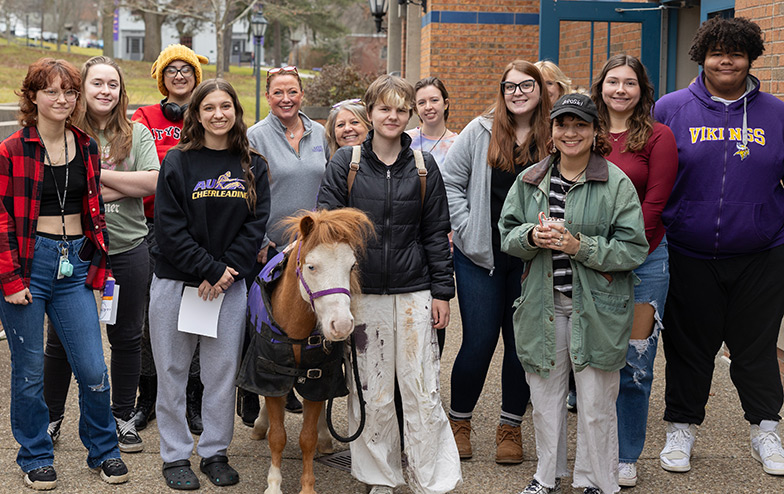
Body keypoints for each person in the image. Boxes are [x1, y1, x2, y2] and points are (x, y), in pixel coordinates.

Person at [317, 74, 461, 494]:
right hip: (363, 296)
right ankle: (379, 477)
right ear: (370, 112)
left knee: (421, 389)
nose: (393, 116)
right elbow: (327, 231)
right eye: (385, 108)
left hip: (414, 291)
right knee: (372, 392)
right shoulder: (346, 164)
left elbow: (435, 233)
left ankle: (430, 478)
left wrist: (442, 293)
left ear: (409, 114)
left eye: (401, 109)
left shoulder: (424, 166)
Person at [654, 16, 784, 477]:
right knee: (689, 349)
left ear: (751, 58)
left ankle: (766, 429)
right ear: (702, 57)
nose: (726, 61)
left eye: (736, 53)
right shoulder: (670, 109)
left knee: (756, 348)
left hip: (761, 252)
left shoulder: (776, 113)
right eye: (717, 53)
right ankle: (681, 428)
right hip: (687, 250)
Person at [500, 93, 647, 494]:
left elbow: (634, 249)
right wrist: (531, 236)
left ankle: (596, 481)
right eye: (562, 124)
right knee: (545, 400)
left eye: (580, 124)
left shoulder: (615, 182)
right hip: (542, 306)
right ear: (551, 131)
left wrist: (578, 246)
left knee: (596, 404)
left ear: (596, 130)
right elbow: (507, 234)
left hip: (597, 309)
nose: (570, 133)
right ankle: (545, 477)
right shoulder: (530, 180)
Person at [0, 57, 130, 490]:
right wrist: (11, 280)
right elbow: (1, 219)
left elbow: (93, 210)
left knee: (93, 368)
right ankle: (35, 455)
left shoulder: (86, 145)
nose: (62, 99)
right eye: (51, 91)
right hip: (28, 266)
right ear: (32, 96)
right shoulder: (12, 149)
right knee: (29, 372)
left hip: (73, 265)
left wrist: (97, 261)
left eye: (69, 91)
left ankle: (104, 450)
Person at [150, 78, 269, 490]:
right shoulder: (178, 161)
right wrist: (209, 269)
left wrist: (226, 272)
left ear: (236, 110)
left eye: (226, 106)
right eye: (209, 108)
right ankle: (175, 455)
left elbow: (255, 226)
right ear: (196, 115)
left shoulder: (253, 164)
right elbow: (169, 228)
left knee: (221, 374)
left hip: (229, 286)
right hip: (176, 283)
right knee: (172, 372)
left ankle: (215, 452)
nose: (219, 114)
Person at [42, 56, 160, 454]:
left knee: (126, 337)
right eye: (97, 83)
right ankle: (51, 417)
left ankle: (122, 416)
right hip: (75, 249)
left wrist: (92, 175)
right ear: (82, 89)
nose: (105, 90)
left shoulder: (137, 133)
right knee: (60, 339)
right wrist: (122, 184)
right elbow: (59, 186)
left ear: (121, 90)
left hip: (127, 248)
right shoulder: (64, 131)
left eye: (113, 84)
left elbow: (152, 182)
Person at [440, 60, 550, 464]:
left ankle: (510, 427)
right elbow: (449, 181)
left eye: (526, 85)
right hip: (480, 257)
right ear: (502, 92)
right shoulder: (480, 130)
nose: (518, 93)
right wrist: (466, 227)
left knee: (521, 346)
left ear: (540, 89)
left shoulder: (553, 133)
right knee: (479, 342)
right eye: (510, 86)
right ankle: (459, 423)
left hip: (532, 260)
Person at [590, 54, 679, 487]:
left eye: (630, 83)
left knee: (635, 363)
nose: (620, 90)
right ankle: (594, 449)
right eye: (613, 82)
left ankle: (626, 455)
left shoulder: (659, 136)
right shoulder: (584, 131)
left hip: (645, 261)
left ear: (642, 90)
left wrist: (618, 254)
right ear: (601, 87)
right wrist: (596, 254)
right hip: (587, 261)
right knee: (591, 361)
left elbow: (655, 203)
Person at [242, 65, 330, 421]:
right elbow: (247, 191)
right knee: (265, 325)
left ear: (302, 94)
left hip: (312, 247)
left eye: (292, 91)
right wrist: (261, 239)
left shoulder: (320, 133)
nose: (286, 98)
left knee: (305, 322)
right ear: (268, 97)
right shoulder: (255, 136)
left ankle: (297, 386)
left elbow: (328, 184)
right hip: (271, 247)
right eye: (278, 92)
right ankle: (258, 393)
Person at [132, 44, 208, 434]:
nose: (179, 76)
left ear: (197, 76)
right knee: (148, 316)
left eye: (186, 69)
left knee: (197, 316)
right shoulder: (145, 117)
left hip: (199, 230)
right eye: (171, 70)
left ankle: (193, 399)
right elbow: (142, 166)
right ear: (161, 78)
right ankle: (147, 397)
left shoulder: (209, 113)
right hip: (151, 227)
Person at [406, 76, 458, 169]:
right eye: (421, 102)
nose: (428, 107)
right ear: (416, 109)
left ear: (446, 104)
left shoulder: (458, 144)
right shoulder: (405, 140)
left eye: (434, 100)